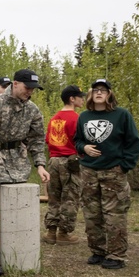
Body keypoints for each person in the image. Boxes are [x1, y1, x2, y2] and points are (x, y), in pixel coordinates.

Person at [0, 68, 51, 276]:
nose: (30, 92)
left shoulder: (32, 110)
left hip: (17, 166)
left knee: (17, 211)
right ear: (14, 84)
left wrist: (40, 164)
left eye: (33, 89)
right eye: (26, 87)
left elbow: (37, 139)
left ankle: (17, 251)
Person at [75, 79, 139, 270]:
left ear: (109, 94)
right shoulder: (84, 116)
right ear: (90, 94)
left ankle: (116, 255)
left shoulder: (122, 115)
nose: (99, 93)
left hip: (113, 171)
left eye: (103, 90)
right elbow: (77, 140)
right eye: (95, 90)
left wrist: (124, 166)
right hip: (88, 171)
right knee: (91, 213)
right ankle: (98, 250)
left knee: (114, 214)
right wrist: (84, 147)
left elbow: (133, 142)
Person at [42, 85, 85, 244]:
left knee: (54, 196)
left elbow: (48, 140)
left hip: (53, 160)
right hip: (70, 161)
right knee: (70, 197)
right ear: (72, 99)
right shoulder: (77, 118)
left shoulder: (54, 119)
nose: (83, 99)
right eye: (80, 96)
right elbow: (81, 141)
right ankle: (63, 233)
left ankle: (51, 232)